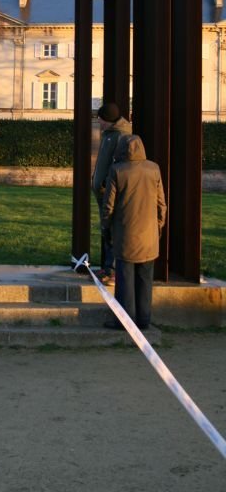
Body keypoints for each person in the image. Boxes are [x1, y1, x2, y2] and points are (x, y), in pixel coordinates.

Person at [101, 134, 167, 330]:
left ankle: (125, 321)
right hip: (149, 235)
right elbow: (161, 204)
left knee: (125, 280)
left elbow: (108, 206)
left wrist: (106, 228)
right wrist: (158, 226)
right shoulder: (153, 169)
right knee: (145, 279)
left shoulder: (117, 170)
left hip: (125, 234)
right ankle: (144, 319)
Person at [91, 102, 131, 283]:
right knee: (106, 228)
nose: (98, 122)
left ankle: (112, 270)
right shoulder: (109, 134)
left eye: (100, 118)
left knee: (112, 228)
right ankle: (108, 267)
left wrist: (106, 183)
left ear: (107, 119)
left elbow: (119, 164)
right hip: (104, 191)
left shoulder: (121, 135)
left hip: (110, 192)